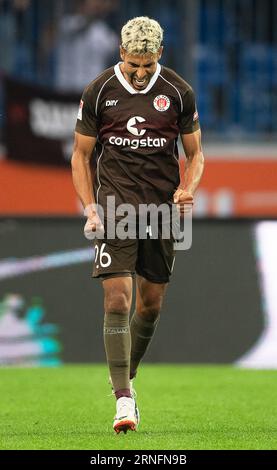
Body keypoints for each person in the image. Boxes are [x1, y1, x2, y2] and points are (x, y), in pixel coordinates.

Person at [71, 16, 204, 434]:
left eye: (148, 65)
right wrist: (91, 207)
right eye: (133, 66)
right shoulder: (100, 91)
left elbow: (196, 154)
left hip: (162, 212)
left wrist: (188, 187)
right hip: (115, 209)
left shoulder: (178, 93)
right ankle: (123, 401)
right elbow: (80, 156)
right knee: (116, 300)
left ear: (160, 54)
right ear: (121, 55)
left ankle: (126, 374)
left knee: (150, 305)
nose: (141, 73)